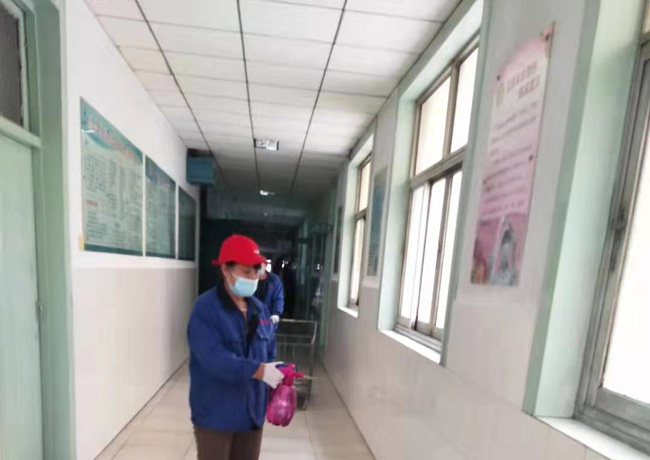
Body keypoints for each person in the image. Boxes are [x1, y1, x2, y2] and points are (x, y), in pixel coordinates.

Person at [187, 234, 284, 460]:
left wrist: (277, 378)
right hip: (216, 413)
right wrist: (257, 370)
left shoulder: (259, 309)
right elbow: (213, 359)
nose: (252, 277)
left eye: (256, 271)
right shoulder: (206, 309)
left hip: (252, 413)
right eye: (245, 272)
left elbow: (269, 351)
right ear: (225, 270)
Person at [254, 262, 285, 326]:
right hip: (252, 316)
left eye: (260, 266)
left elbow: (278, 298)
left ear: (265, 265)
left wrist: (276, 313)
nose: (258, 268)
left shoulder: (274, 280)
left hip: (269, 317)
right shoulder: (250, 278)